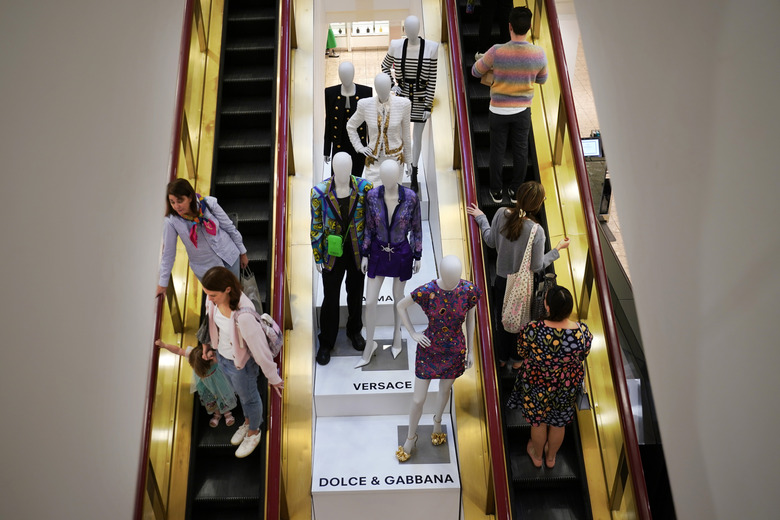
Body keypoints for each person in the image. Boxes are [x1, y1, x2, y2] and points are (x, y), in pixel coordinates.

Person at [466, 181, 569, 369]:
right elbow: (537, 266)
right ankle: (516, 361)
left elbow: (489, 241)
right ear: (538, 205)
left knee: (502, 320)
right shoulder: (537, 231)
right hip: (522, 286)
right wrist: (556, 251)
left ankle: (502, 358)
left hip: (501, 281)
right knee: (521, 322)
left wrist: (481, 218)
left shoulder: (500, 213)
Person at [395, 255, 481, 462]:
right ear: (441, 273)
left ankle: (437, 423)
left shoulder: (468, 291)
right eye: (450, 276)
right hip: (430, 347)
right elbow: (401, 306)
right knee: (418, 399)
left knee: (445, 390)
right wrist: (413, 333)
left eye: (457, 276)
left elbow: (471, 318)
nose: (454, 280)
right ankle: (410, 437)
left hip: (455, 350)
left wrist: (470, 350)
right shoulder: (428, 291)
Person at [200, 267, 284, 458]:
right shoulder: (213, 300)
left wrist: (273, 377)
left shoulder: (244, 316)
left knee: (249, 398)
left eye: (213, 295)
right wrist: (208, 345)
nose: (209, 299)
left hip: (241, 365)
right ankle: (247, 422)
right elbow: (210, 322)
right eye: (207, 294)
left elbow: (260, 350)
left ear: (228, 289)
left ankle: (254, 431)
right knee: (241, 395)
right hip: (222, 357)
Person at [507, 285, 592, 468]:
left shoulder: (532, 330)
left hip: (536, 384)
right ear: (569, 309)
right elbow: (583, 356)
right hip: (565, 387)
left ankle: (537, 456)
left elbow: (522, 352)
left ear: (547, 307)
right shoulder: (583, 333)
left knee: (538, 423)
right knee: (558, 424)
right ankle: (551, 458)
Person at [471, 6, 548, 204]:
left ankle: (496, 192)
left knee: (497, 150)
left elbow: (475, 72)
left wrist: (487, 64)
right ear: (530, 27)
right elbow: (543, 79)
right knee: (521, 151)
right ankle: (515, 192)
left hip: (497, 110)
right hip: (522, 110)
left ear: (509, 26)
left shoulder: (497, 51)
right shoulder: (538, 54)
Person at [355, 160, 422, 368]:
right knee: (371, 300)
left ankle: (396, 335)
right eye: (384, 176)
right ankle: (369, 343)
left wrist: (417, 254)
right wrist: (365, 253)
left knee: (398, 299)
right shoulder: (372, 196)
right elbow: (368, 227)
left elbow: (417, 228)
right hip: (377, 252)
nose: (388, 180)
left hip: (402, 252)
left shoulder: (410, 198)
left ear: (399, 176)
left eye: (392, 176)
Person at [310, 152, 373, 365]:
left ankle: (354, 331)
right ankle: (326, 341)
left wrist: (367, 253)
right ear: (334, 169)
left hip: (356, 251)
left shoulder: (365, 188)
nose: (343, 172)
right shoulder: (319, 192)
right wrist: (318, 255)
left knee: (356, 294)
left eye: (347, 167)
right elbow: (316, 225)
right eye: (339, 168)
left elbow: (370, 224)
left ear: (352, 167)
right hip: (332, 253)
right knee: (330, 297)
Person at [157, 179, 248, 296]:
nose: (176, 206)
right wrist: (163, 283)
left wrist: (243, 252)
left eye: (180, 201)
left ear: (190, 197)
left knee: (236, 295)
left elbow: (229, 227)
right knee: (220, 303)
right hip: (208, 270)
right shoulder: (171, 222)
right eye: (172, 202)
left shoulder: (209, 204)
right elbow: (168, 254)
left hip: (229, 257)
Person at [380, 15, 438, 192]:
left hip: (421, 99)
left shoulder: (431, 47)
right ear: (404, 29)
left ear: (419, 28)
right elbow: (384, 66)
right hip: (402, 97)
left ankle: (414, 170)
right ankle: (399, 168)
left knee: (417, 137)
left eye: (415, 28)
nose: (412, 31)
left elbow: (432, 80)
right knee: (400, 134)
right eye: (408, 28)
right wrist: (392, 85)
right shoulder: (396, 45)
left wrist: (428, 105)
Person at [346, 73, 412, 187]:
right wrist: (359, 147)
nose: (382, 90)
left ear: (390, 86)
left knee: (392, 198)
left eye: (386, 86)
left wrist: (409, 160)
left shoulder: (403, 104)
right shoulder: (365, 105)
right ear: (375, 87)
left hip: (395, 160)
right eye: (379, 87)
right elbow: (351, 126)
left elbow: (406, 135)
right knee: (373, 197)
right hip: (373, 161)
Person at [155, 341, 236, 428]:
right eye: (211, 356)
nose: (213, 355)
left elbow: (179, 350)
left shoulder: (208, 355)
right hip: (205, 384)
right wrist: (164, 345)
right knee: (210, 398)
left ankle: (227, 413)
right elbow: (178, 351)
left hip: (218, 381)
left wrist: (165, 344)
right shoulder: (195, 357)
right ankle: (217, 413)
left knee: (222, 394)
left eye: (211, 354)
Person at [324, 62, 372, 177]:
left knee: (356, 178)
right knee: (337, 179)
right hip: (339, 143)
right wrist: (327, 149)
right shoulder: (331, 93)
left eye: (348, 74)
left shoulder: (365, 92)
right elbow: (329, 121)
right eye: (343, 74)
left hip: (358, 144)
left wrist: (371, 147)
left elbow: (369, 122)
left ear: (353, 74)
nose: (346, 78)